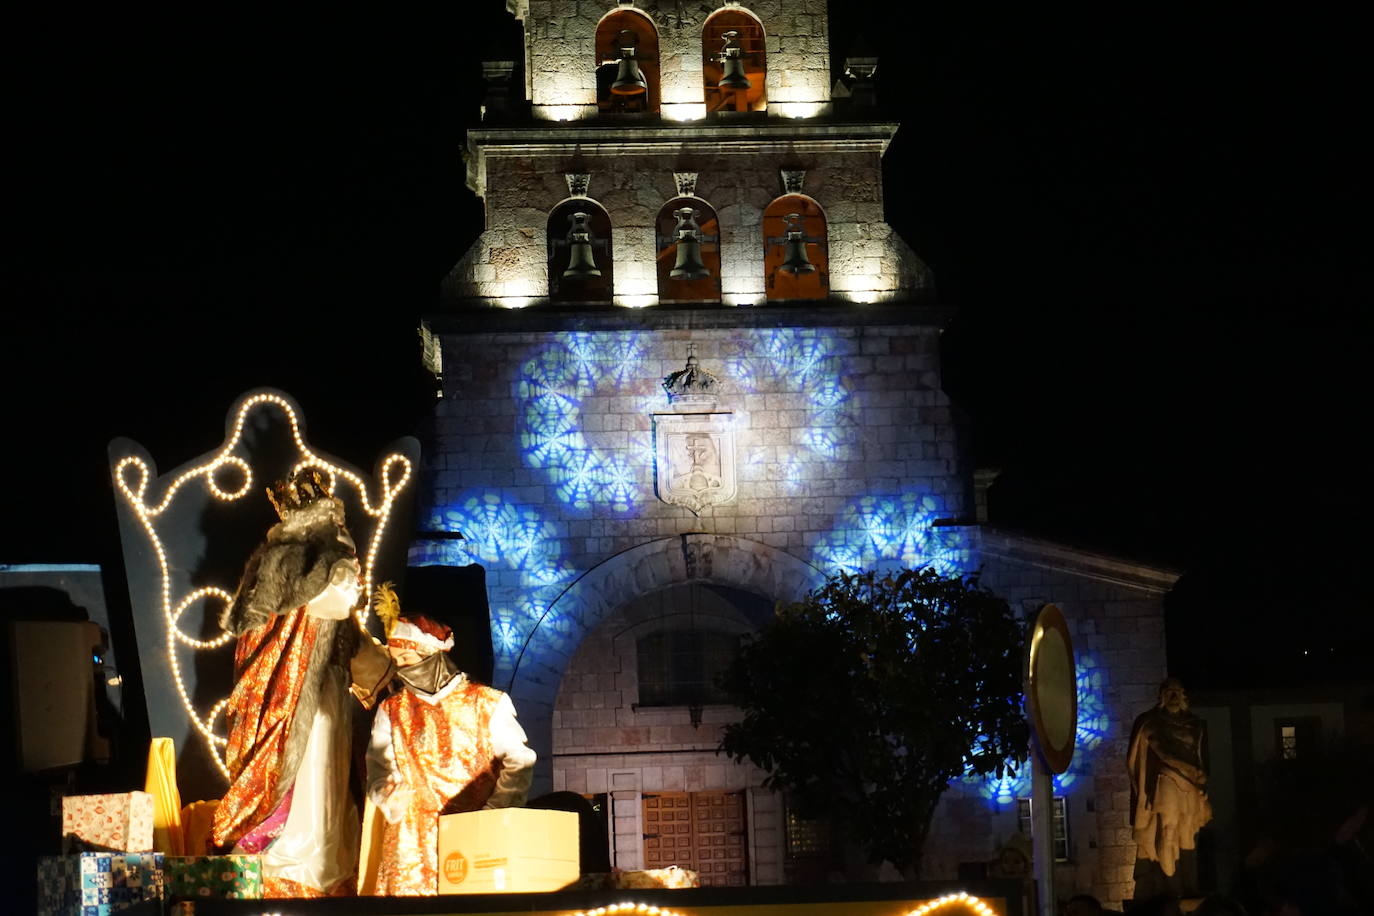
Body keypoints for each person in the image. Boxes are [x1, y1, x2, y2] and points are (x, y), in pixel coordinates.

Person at [211, 467, 375, 897]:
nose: (344, 534)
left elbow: (344, 618)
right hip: (292, 693)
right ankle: (293, 862)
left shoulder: (320, 558)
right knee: (305, 770)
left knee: (331, 772)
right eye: (336, 525)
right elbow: (336, 600)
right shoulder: (290, 562)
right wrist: (342, 570)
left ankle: (325, 862)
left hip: (325, 688)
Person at [366, 609, 536, 896]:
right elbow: (379, 764)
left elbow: (519, 760)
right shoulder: (392, 710)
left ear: (432, 655)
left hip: (474, 837)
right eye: (397, 663)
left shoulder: (487, 703)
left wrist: (494, 812)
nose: (403, 669)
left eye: (407, 660)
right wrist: (390, 795)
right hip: (411, 845)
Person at [1127, 678, 1213, 879]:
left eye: (1177, 692)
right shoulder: (1151, 722)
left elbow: (1199, 754)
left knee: (1188, 834)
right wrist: (1191, 769)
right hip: (1167, 779)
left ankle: (1189, 884)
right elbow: (1163, 753)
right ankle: (1170, 884)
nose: (1173, 697)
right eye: (1168, 692)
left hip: (1190, 784)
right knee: (1168, 829)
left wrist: (1200, 777)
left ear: (1183, 696)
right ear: (1162, 696)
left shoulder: (1194, 723)